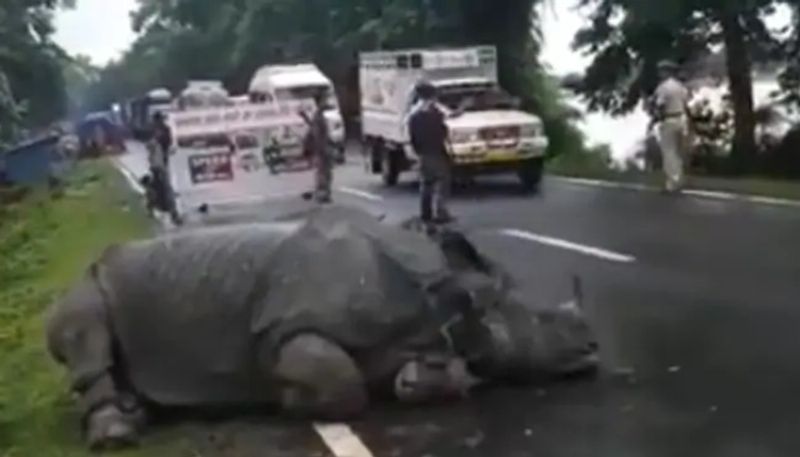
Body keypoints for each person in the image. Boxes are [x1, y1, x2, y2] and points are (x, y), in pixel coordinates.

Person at [408, 81, 454, 224]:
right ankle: (441, 212)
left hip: (423, 153)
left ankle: (425, 213)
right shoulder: (435, 113)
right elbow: (443, 131)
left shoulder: (414, 114)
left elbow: (412, 136)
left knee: (426, 183)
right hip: (436, 151)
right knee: (442, 181)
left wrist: (417, 151)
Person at [652, 60, 691, 193]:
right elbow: (686, 104)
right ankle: (679, 178)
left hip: (668, 119)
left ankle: (672, 183)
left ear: (666, 72)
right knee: (678, 152)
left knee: (669, 152)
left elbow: (660, 105)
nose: (659, 73)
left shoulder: (663, 87)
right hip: (681, 119)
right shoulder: (680, 87)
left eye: (661, 70)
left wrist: (656, 118)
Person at [146, 111, 181, 225]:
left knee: (162, 188)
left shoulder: (162, 131)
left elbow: (167, 143)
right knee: (158, 188)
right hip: (157, 164)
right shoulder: (154, 131)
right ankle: (170, 212)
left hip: (160, 164)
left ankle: (172, 213)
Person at [300, 91, 334, 204]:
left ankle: (322, 193)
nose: (326, 102)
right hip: (322, 148)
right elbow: (317, 133)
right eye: (324, 100)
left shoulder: (318, 115)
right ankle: (323, 194)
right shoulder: (319, 116)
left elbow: (313, 129)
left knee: (323, 171)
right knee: (324, 172)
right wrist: (323, 148)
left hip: (322, 147)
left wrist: (305, 117)